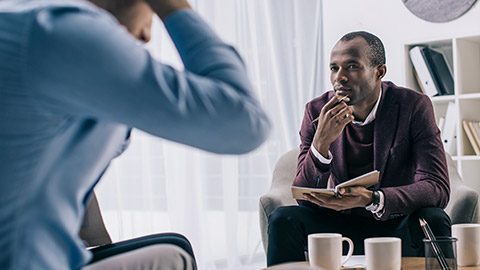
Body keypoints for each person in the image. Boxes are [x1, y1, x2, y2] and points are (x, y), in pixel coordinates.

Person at [0, 0, 271, 269]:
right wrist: (174, 8)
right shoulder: (60, 31)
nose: (146, 35)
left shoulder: (25, 23)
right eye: (151, 10)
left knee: (170, 254)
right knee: (173, 257)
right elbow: (245, 123)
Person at [266, 31, 450, 266]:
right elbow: (304, 197)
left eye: (352, 66)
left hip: (394, 223)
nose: (339, 78)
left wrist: (373, 199)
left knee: (433, 217)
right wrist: (321, 143)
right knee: (283, 218)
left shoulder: (412, 106)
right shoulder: (317, 110)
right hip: (339, 227)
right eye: (334, 68)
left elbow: (437, 188)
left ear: (379, 72)